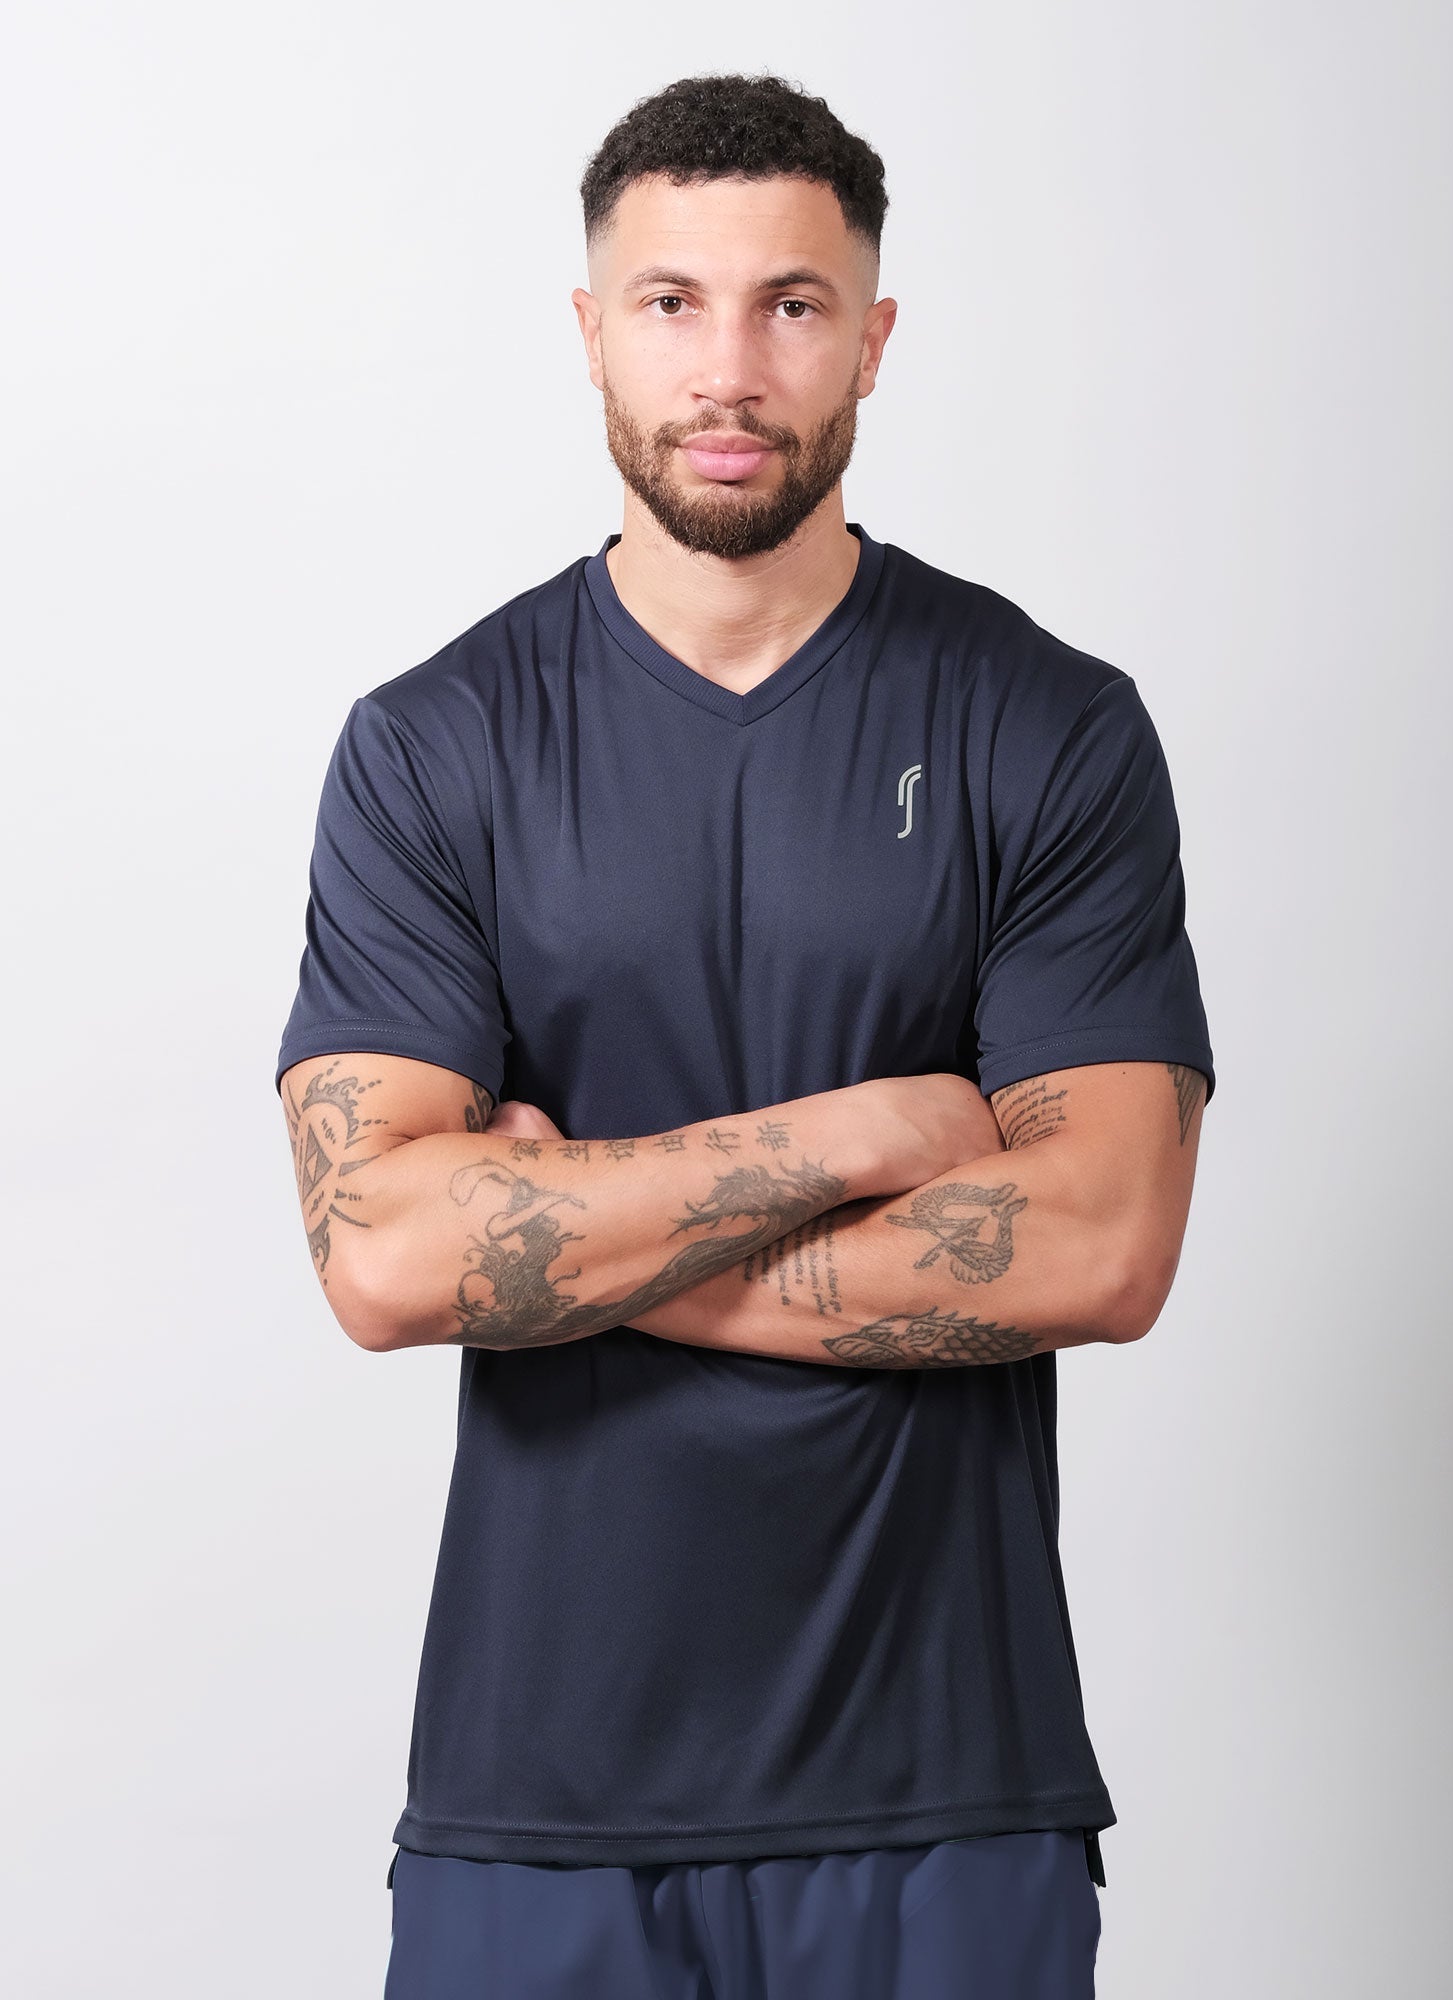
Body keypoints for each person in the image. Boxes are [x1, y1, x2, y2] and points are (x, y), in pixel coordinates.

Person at [275, 70, 1215, 2000]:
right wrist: (859, 1134)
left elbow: (1101, 1247)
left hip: (946, 1786)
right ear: (588, 332)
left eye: (791, 304)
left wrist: (562, 1246)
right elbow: (383, 1261)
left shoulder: (1045, 726)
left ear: (872, 336)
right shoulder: (434, 747)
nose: (728, 368)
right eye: (670, 301)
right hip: (538, 1796)